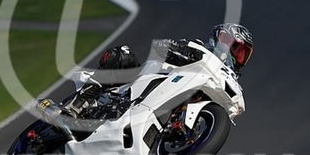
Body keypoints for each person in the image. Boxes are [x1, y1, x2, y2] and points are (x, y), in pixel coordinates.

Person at [63, 23, 254, 117]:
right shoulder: (196, 48)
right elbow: (161, 47)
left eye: (242, 53)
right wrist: (176, 50)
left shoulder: (227, 79)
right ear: (218, 38)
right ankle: (78, 103)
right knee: (122, 54)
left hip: (172, 101)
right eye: (234, 47)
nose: (235, 54)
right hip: (142, 85)